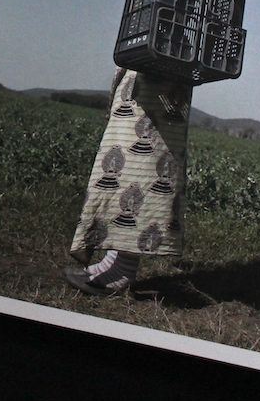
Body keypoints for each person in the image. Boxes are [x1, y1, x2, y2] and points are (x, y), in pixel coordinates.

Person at [64, 67, 191, 296]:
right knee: (129, 167)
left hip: (160, 78)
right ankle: (113, 263)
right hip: (150, 75)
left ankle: (121, 271)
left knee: (141, 170)